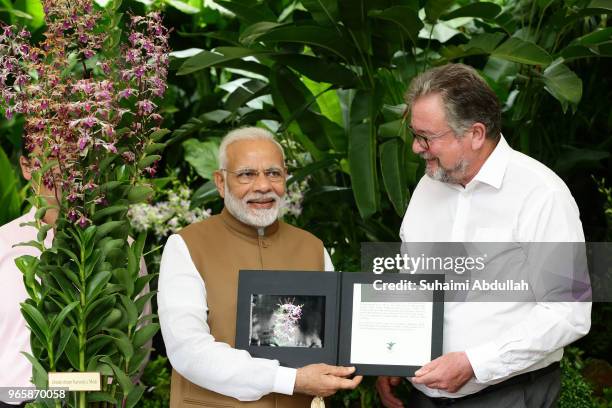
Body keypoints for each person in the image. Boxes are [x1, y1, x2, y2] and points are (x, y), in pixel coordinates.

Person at [376, 63, 591, 407]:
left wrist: (475, 363)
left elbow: (567, 313)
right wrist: (393, 352)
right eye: (415, 135)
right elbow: (414, 281)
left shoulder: (541, 194)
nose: (417, 148)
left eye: (427, 137)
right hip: (422, 395)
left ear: (475, 133)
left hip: (506, 395)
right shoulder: (428, 187)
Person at [158, 127, 362, 408]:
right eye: (247, 174)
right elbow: (188, 350)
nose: (263, 186)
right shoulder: (187, 246)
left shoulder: (312, 247)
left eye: (273, 173)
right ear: (220, 182)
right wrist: (289, 380)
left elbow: (331, 338)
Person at [0, 151, 150, 408]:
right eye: (51, 161)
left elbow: (136, 342)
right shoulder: (3, 244)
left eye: (73, 161)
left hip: (93, 401)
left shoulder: (119, 248)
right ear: (26, 166)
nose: (64, 170)